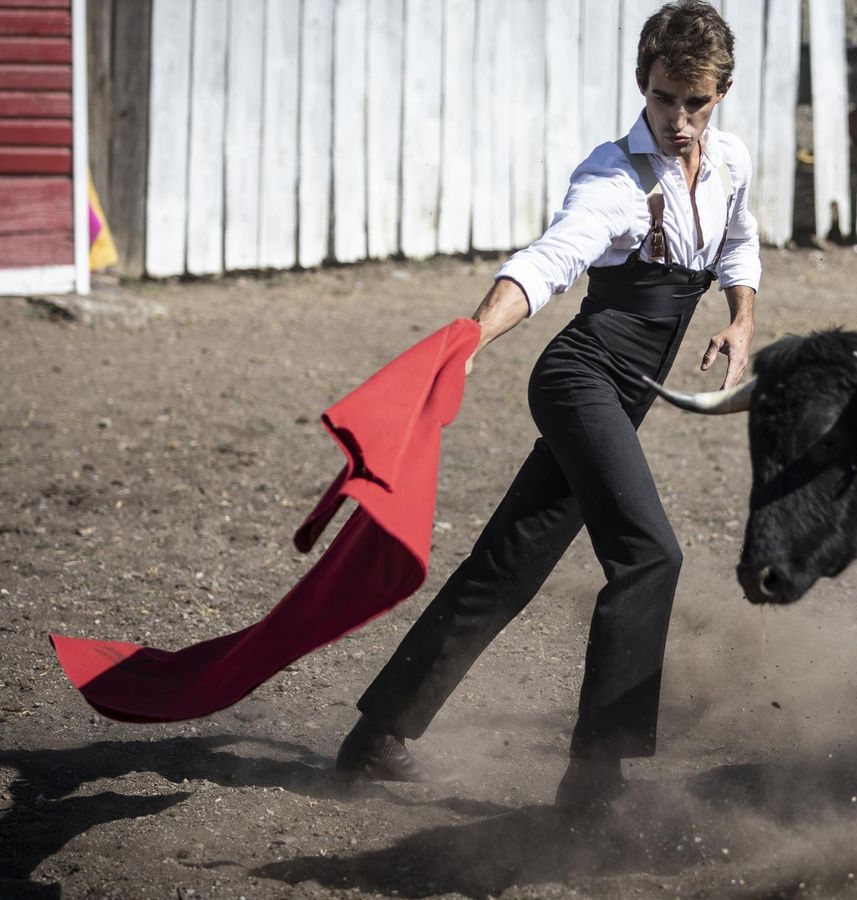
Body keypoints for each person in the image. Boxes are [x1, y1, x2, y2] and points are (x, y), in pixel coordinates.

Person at [334, 0, 759, 811]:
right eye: (663, 98)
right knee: (650, 557)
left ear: (722, 94)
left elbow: (739, 242)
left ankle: (375, 737)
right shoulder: (612, 176)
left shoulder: (730, 162)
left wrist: (742, 319)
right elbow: (551, 258)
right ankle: (594, 779)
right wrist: (473, 334)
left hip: (622, 397)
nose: (676, 120)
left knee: (509, 562)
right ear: (642, 84)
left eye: (695, 103)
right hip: (579, 381)